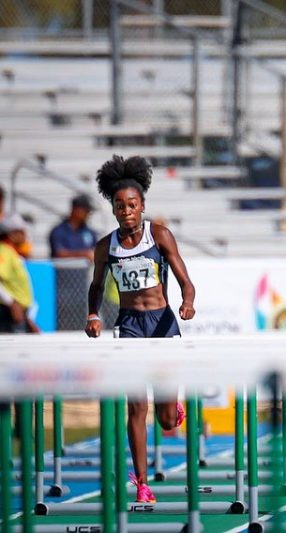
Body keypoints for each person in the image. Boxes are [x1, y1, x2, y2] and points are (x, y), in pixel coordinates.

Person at [84, 155, 196, 503]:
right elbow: (96, 286)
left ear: (142, 205)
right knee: (136, 408)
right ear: (114, 209)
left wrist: (187, 303)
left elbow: (186, 281)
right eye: (120, 206)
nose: (127, 211)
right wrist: (92, 315)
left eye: (132, 204)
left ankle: (172, 408)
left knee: (166, 421)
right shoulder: (106, 246)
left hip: (162, 322)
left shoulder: (159, 235)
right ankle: (143, 484)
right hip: (129, 325)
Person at [0, 214, 40, 333]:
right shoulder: (4, 251)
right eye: (21, 232)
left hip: (17, 314)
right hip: (8, 314)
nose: (25, 235)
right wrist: (12, 303)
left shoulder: (11, 252)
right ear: (11, 234)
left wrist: (27, 318)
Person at [49, 193, 98, 260]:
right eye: (87, 211)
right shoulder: (59, 231)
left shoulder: (90, 232)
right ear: (76, 209)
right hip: (65, 267)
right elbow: (59, 253)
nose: (88, 214)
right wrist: (84, 254)